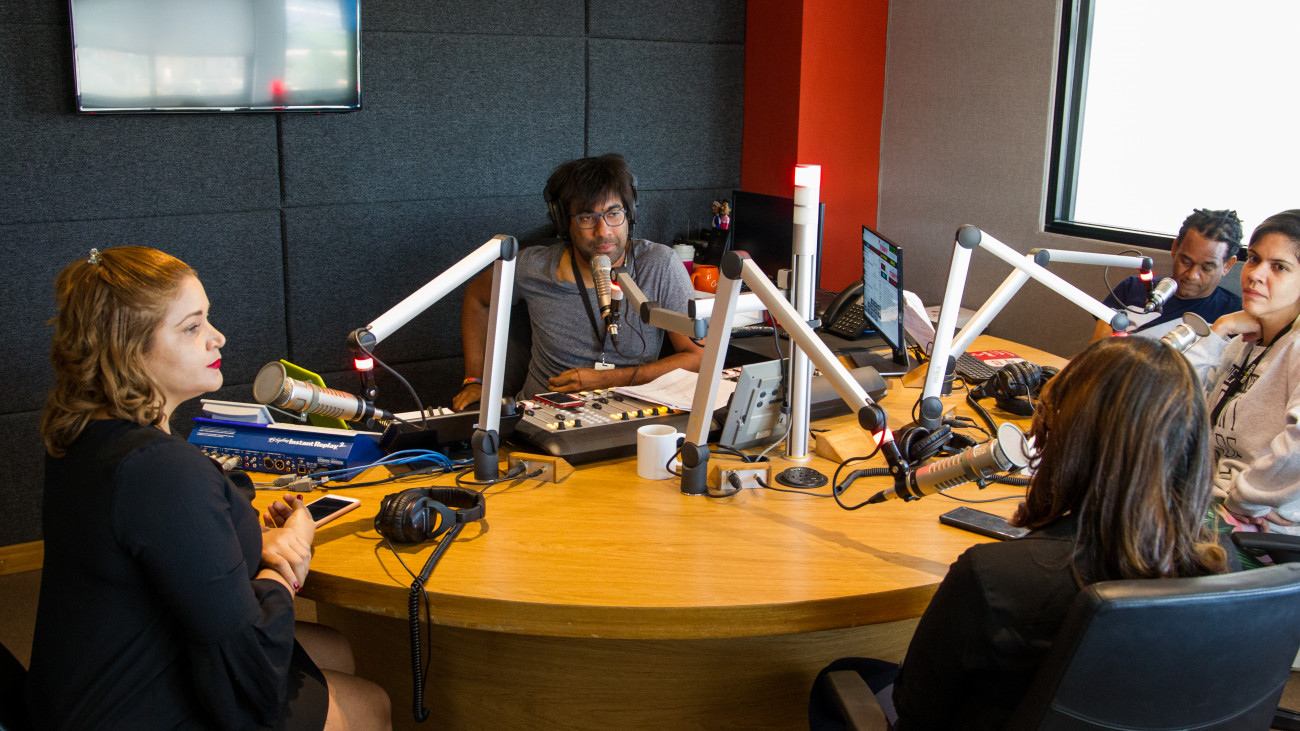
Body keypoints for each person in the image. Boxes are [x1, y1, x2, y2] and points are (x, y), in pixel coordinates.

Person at [27, 246, 390, 730]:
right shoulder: (161, 469)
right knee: (371, 705)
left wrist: (245, 541)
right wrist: (290, 559)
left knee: (335, 647)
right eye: (192, 327)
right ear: (129, 349)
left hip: (86, 686)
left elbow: (168, 554)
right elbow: (249, 661)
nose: (218, 338)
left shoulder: (85, 436)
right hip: (133, 709)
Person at [809, 337, 1231, 730]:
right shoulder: (1218, 565)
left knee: (841, 678)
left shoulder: (994, 578)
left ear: (1062, 436)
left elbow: (915, 709)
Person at [453, 153, 703, 410]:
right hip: (540, 416)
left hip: (631, 418)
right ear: (564, 223)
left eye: (613, 213)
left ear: (630, 213)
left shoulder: (659, 265)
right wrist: (475, 380)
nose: (603, 231)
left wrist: (607, 380)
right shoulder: (533, 267)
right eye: (586, 217)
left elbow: (698, 357)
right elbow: (477, 297)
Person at [1184, 209, 1300, 543]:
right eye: (1254, 259)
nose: (1256, 275)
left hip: (1259, 529)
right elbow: (1171, 402)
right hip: (1209, 500)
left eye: (1279, 267)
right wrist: (1219, 331)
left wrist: (1245, 498)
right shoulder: (1240, 344)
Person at [1090, 208, 1243, 342]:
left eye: (1206, 268)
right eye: (1186, 261)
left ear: (1227, 265)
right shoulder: (1132, 289)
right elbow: (1097, 353)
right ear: (1175, 248)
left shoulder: (1234, 315)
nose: (1192, 275)